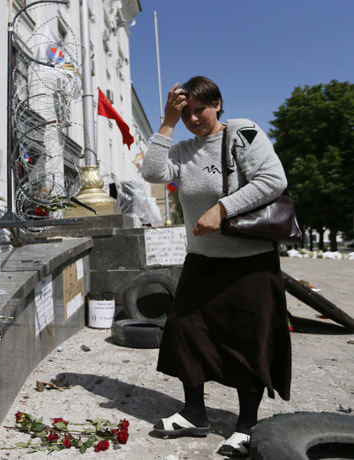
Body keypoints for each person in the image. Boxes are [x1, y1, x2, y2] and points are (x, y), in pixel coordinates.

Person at [141, 76, 292, 458]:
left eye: (199, 110)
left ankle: (246, 426)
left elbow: (273, 180)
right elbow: (152, 173)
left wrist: (221, 209)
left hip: (250, 263)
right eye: (186, 112)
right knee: (184, 330)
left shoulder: (243, 133)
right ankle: (195, 413)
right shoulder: (184, 148)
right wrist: (166, 123)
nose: (193, 118)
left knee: (247, 341)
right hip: (203, 261)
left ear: (218, 104)